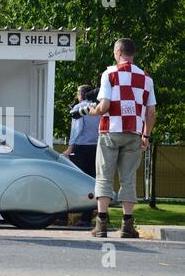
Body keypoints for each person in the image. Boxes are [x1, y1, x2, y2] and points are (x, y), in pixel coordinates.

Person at [88, 38, 156, 238]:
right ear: (132, 54)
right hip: (134, 133)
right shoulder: (146, 78)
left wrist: (93, 111)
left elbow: (105, 106)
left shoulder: (109, 74)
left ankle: (101, 224)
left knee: (104, 176)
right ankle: (127, 225)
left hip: (110, 130)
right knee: (128, 179)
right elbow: (150, 113)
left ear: (118, 52)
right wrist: (146, 135)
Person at [59, 85, 100, 227]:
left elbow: (77, 130)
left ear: (80, 95)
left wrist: (69, 149)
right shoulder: (98, 107)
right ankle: (86, 218)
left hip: (80, 148)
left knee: (70, 181)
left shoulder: (79, 109)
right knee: (91, 183)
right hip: (96, 148)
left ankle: (63, 216)